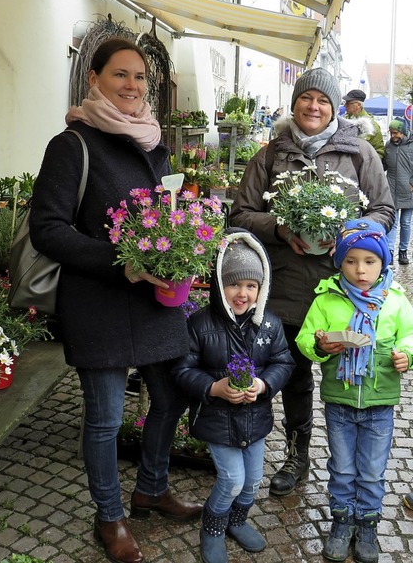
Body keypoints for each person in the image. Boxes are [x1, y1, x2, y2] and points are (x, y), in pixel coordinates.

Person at [29, 37, 202, 563]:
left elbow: (163, 217)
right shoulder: (72, 144)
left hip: (153, 300)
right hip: (99, 301)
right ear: (94, 79)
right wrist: (118, 261)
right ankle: (110, 517)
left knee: (170, 399)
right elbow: (48, 230)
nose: (132, 86)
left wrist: (184, 244)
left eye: (140, 78)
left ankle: (151, 487)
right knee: (104, 417)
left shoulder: (153, 143)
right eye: (120, 75)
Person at [229, 67, 394, 498]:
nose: (314, 107)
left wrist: (347, 234)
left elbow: (384, 210)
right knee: (295, 374)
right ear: (295, 103)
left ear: (336, 106)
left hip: (346, 291)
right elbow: (241, 213)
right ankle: (297, 455)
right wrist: (283, 227)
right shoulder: (270, 155)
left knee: (350, 374)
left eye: (323, 100)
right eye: (307, 98)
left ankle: (355, 468)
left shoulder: (360, 154)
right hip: (284, 286)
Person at [172, 229, 295, 563]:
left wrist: (265, 384)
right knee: (233, 479)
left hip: (255, 419)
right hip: (216, 419)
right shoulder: (199, 323)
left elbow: (284, 361)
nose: (242, 294)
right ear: (219, 285)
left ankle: (236, 522)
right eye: (234, 284)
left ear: (261, 288)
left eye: (251, 286)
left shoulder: (269, 324)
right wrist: (214, 388)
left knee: (254, 480)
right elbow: (182, 370)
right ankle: (211, 530)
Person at [296, 219, 413, 563]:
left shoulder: (394, 301)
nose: (360, 270)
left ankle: (368, 525)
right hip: (339, 402)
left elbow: (409, 335)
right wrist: (320, 347)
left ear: (383, 263)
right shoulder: (327, 299)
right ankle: (342, 522)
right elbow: (305, 337)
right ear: (339, 262)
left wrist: (406, 355)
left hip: (380, 403)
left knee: (373, 471)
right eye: (351, 261)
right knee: (343, 468)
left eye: (370, 261)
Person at [383, 117, 413, 265]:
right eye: (391, 132)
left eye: (395, 132)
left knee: (406, 223)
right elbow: (383, 166)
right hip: (392, 189)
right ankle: (390, 251)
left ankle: (403, 251)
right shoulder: (388, 145)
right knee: (392, 222)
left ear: (402, 132)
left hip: (408, 190)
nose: (393, 135)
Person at [342, 89, 385, 159]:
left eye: (348, 103)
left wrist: (368, 166)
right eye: (345, 102)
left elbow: (379, 151)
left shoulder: (372, 126)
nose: (345, 105)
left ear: (358, 105)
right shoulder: (343, 121)